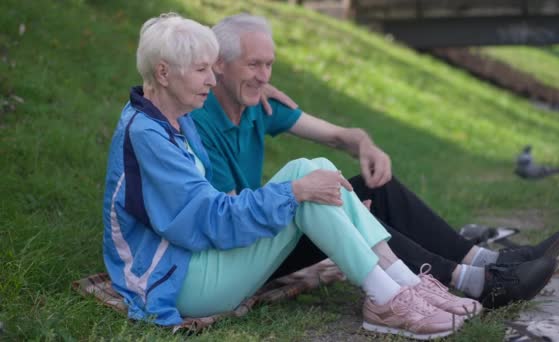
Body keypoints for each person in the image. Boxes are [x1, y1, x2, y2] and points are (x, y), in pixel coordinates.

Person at [102, 12, 482, 340]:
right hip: (178, 281)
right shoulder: (147, 134)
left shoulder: (174, 117)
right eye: (201, 70)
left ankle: (404, 286)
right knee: (305, 187)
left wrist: (256, 86)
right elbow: (208, 219)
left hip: (195, 260)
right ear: (164, 73)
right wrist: (294, 193)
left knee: (312, 168)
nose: (212, 80)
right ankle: (389, 297)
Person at [190, 13, 559, 309]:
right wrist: (342, 213)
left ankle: (484, 261)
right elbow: (233, 219)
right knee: (334, 201)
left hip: (258, 223)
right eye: (254, 65)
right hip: (238, 252)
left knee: (375, 187)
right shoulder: (201, 121)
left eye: (269, 65)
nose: (264, 76)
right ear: (219, 65)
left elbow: (338, 135)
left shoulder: (259, 103)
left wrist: (364, 144)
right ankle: (475, 282)